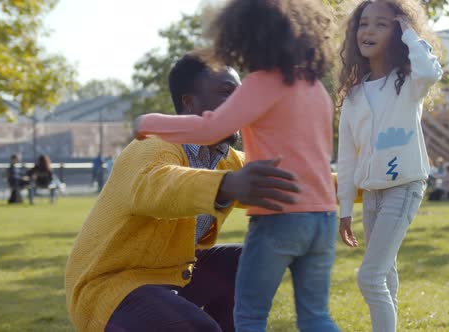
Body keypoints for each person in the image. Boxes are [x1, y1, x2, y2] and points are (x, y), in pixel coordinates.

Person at [134, 1, 338, 331]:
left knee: (250, 316)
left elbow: (209, 128)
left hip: (279, 219)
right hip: (323, 219)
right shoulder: (315, 89)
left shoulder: (261, 83)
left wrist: (148, 122)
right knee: (316, 316)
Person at [65, 52, 301, 332]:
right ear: (190, 103)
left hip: (172, 277)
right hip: (111, 287)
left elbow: (300, 179)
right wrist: (226, 184)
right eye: (227, 93)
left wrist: (360, 183)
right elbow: (156, 186)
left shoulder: (225, 159)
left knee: (249, 261)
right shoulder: (154, 145)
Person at [336, 1, 443, 331]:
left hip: (405, 186)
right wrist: (344, 210)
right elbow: (348, 156)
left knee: (370, 278)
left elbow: (430, 70)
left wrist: (409, 32)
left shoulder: (409, 82)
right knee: (386, 275)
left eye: (381, 24)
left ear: (396, 32)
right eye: (363, 24)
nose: (367, 31)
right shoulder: (353, 95)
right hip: (372, 195)